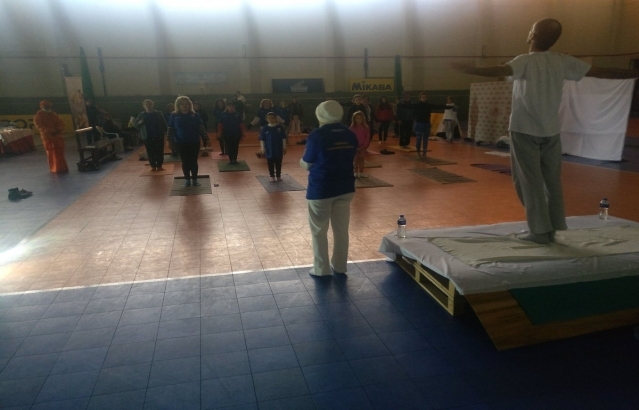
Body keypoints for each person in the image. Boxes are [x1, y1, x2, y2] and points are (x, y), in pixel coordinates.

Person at [452, 18, 639, 244]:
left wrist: (468, 68)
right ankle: (552, 228)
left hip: (524, 129)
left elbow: (499, 70)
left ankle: (539, 231)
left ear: (532, 35)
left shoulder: (525, 61)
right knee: (552, 182)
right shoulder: (562, 61)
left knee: (528, 181)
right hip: (550, 131)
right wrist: (633, 73)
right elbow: (603, 72)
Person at [300, 100, 358, 277]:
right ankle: (340, 266)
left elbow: (307, 162)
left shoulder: (317, 135)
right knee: (341, 230)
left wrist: (303, 163)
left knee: (319, 230)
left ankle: (321, 269)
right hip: (346, 187)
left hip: (321, 189)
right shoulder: (350, 134)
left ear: (320, 114)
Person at [167, 96, 210, 187]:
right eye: (182, 104)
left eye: (186, 104)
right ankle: (187, 179)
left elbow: (201, 128)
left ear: (190, 105)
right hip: (180, 142)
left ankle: (194, 179)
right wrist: (168, 140)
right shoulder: (174, 115)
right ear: (178, 105)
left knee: (193, 161)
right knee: (185, 161)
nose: (185, 106)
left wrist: (207, 138)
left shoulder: (195, 115)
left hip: (194, 142)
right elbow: (170, 129)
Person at [33, 100, 68, 173]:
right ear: (42, 107)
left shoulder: (54, 114)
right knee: (51, 153)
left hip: (57, 137)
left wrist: (58, 129)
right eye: (45, 106)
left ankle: (62, 167)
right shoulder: (38, 116)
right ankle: (55, 168)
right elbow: (40, 127)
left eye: (48, 106)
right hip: (48, 137)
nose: (47, 107)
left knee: (60, 152)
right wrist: (52, 131)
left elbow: (61, 123)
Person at [133, 99, 168, 171]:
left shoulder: (158, 114)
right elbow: (135, 125)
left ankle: (159, 165)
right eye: (147, 104)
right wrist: (140, 122)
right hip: (147, 136)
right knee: (150, 152)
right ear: (144, 106)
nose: (148, 105)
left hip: (159, 135)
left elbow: (164, 124)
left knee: (159, 151)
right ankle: (153, 166)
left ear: (153, 105)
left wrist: (167, 134)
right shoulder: (141, 115)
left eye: (150, 104)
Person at [413, 92, 448, 158]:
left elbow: (439, 106)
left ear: (427, 98)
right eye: (422, 97)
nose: (424, 98)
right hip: (419, 124)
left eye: (425, 97)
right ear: (420, 98)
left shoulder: (429, 105)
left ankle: (424, 153)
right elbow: (409, 107)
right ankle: (418, 153)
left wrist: (450, 106)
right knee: (419, 139)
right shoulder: (417, 105)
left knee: (425, 139)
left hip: (426, 124)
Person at [259, 112, 287, 182]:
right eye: (269, 118)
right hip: (269, 149)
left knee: (278, 162)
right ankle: (271, 175)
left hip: (278, 149)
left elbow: (283, 138)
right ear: (267, 119)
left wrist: (284, 147)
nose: (271, 120)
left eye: (273, 118)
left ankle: (278, 175)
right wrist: (263, 148)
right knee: (270, 163)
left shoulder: (279, 128)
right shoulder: (265, 128)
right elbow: (262, 139)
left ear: (275, 119)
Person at [217, 101, 245, 165]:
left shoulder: (237, 114)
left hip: (236, 133)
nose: (231, 108)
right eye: (230, 106)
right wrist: (219, 132)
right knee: (229, 146)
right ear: (227, 107)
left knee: (235, 146)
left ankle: (235, 159)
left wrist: (243, 132)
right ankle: (231, 160)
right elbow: (220, 124)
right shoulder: (223, 114)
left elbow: (241, 124)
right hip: (226, 133)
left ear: (234, 107)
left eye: (232, 106)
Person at [350, 111, 370, 178]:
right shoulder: (352, 128)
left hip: (363, 147)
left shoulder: (366, 127)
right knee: (355, 160)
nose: (359, 120)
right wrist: (355, 146)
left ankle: (361, 172)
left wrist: (364, 146)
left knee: (361, 159)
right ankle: (355, 172)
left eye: (360, 118)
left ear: (363, 118)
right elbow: (351, 138)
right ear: (354, 119)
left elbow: (367, 137)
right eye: (357, 118)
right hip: (355, 147)